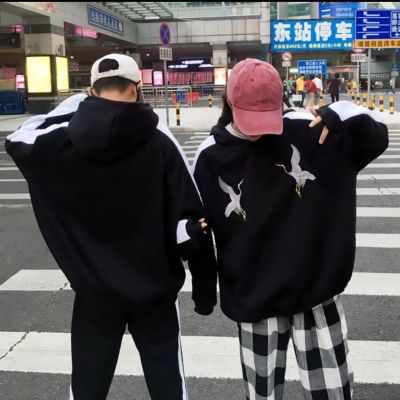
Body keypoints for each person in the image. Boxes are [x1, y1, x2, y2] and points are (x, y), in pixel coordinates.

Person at [6, 54, 218, 400]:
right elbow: (194, 218)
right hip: (154, 291)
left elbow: (18, 139)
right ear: (137, 88)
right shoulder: (160, 139)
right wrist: (204, 291)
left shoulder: (63, 140)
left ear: (91, 91)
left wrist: (79, 104)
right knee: (168, 384)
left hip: (95, 292)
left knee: (88, 386)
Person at [192, 58, 388, 400]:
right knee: (263, 393)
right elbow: (199, 229)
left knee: (331, 392)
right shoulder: (210, 157)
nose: (258, 129)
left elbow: (376, 138)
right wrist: (204, 291)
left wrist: (344, 113)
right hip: (255, 298)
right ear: (229, 101)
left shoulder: (311, 129)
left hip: (316, 290)